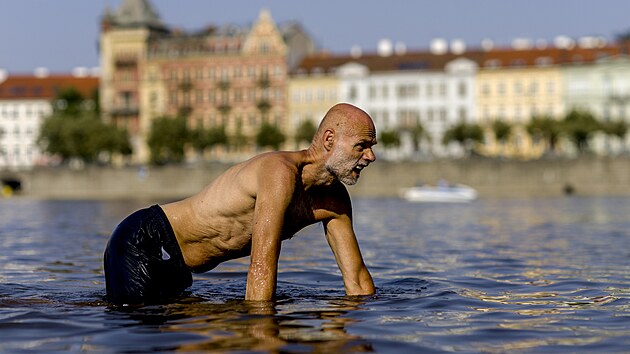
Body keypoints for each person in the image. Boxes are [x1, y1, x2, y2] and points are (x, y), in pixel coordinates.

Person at [104, 103, 377, 305]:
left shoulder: (335, 200)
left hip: (180, 265)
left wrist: (371, 324)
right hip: (144, 240)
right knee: (138, 326)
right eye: (361, 146)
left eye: (372, 146)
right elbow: (261, 266)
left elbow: (357, 277)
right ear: (330, 140)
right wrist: (262, 333)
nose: (370, 156)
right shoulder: (279, 174)